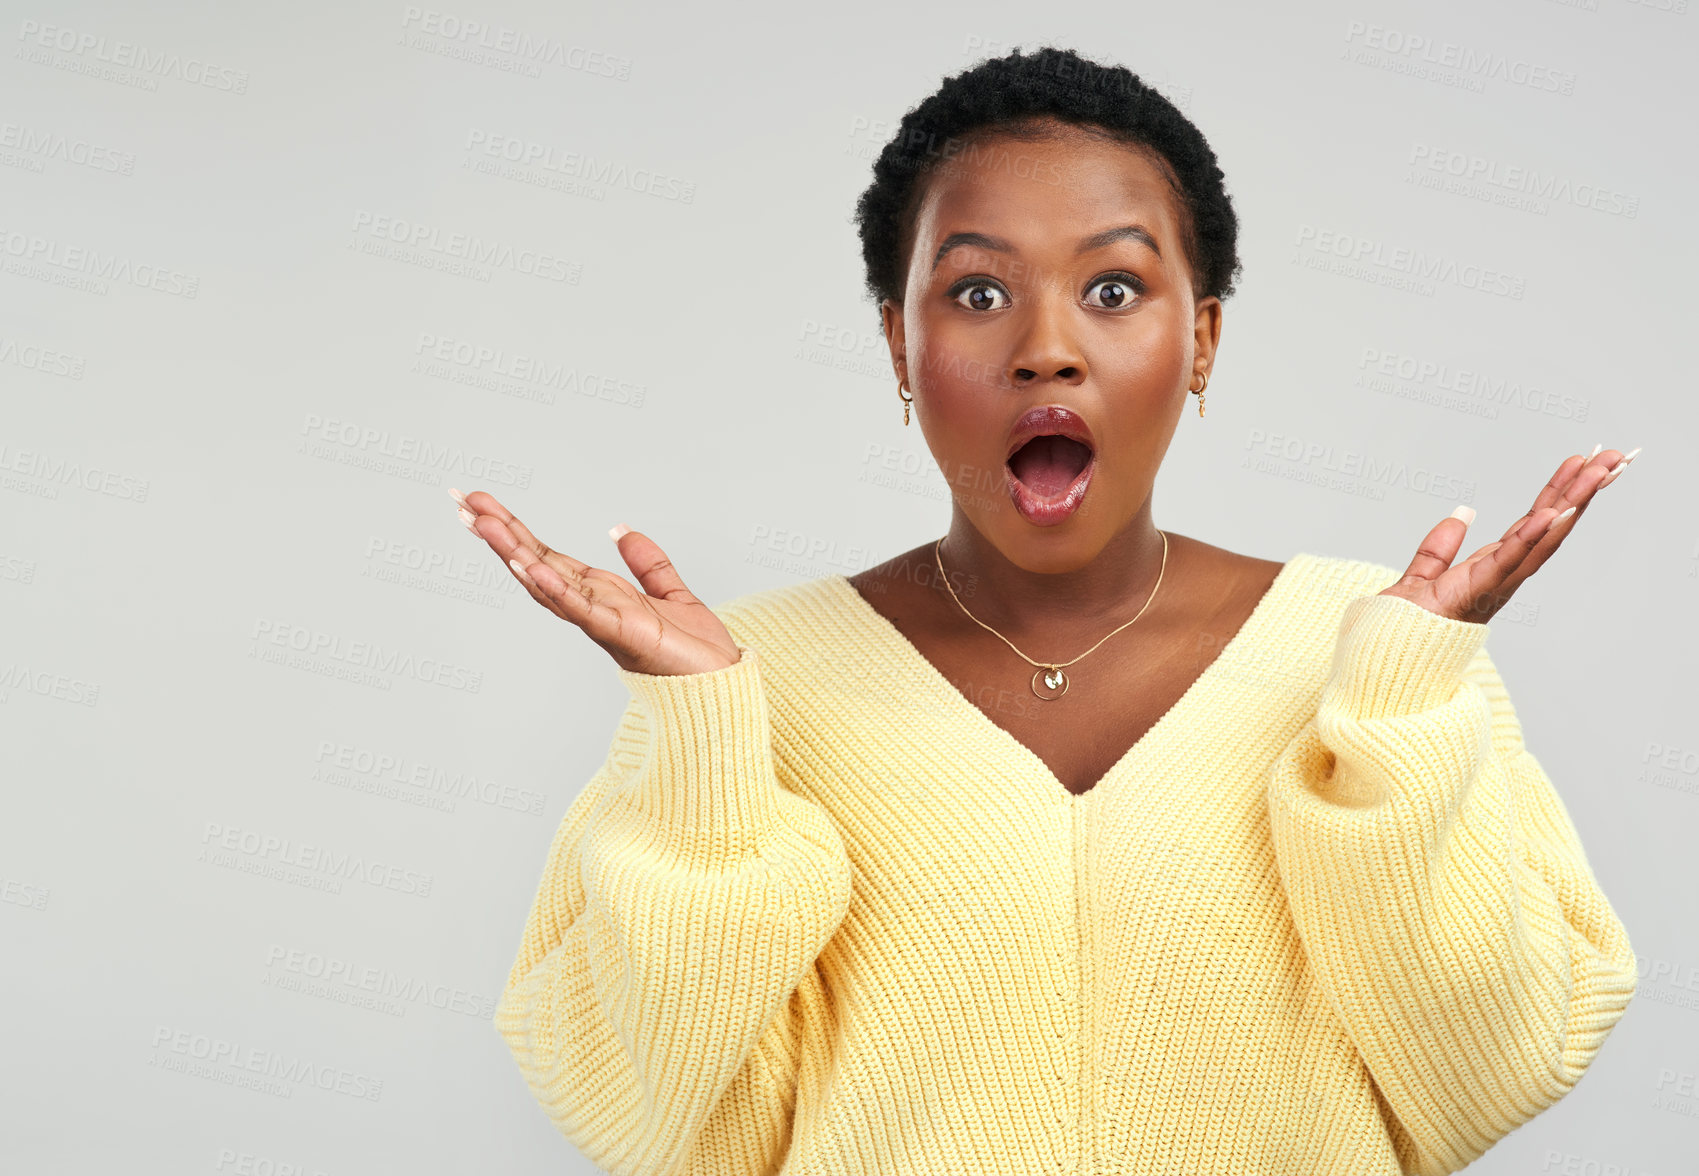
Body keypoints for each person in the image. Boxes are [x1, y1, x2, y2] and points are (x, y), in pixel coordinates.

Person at [459, 45, 1639, 1176]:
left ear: (1201, 338)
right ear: (898, 346)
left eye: (1114, 288)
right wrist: (706, 748)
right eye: (977, 291)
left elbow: (1491, 1073)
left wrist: (1394, 710)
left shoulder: (1377, 651)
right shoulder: (747, 681)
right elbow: (661, 1125)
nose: (1045, 349)